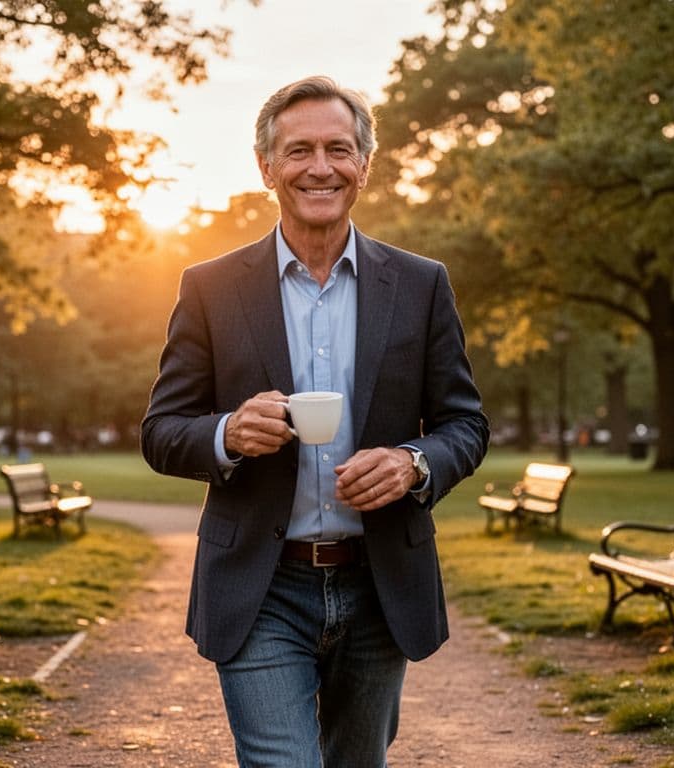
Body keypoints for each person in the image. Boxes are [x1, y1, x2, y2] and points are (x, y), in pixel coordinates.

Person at [141, 75, 489, 767]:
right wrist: (226, 434)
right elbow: (161, 430)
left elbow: (464, 425)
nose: (320, 167)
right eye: (299, 150)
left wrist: (414, 463)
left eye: (338, 148)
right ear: (266, 166)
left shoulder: (422, 285)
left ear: (364, 163)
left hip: (381, 583)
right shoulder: (209, 287)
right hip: (260, 586)